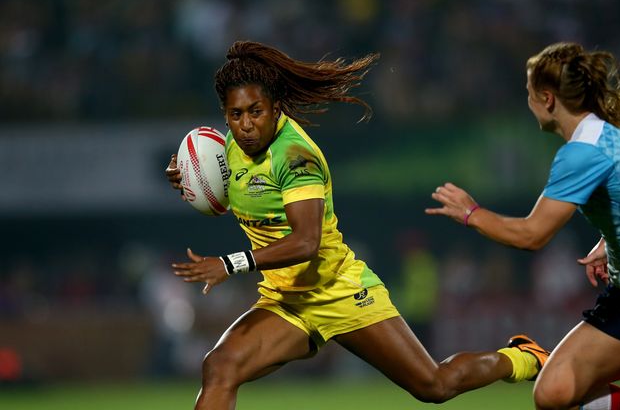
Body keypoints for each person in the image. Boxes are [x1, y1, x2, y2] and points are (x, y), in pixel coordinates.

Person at [164, 40, 549, 409]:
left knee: (434, 385)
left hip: (339, 290)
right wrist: (193, 183)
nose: (246, 125)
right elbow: (236, 199)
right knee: (220, 366)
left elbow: (306, 242)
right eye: (236, 114)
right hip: (287, 301)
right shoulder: (228, 147)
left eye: (256, 112)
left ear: (276, 107)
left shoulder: (296, 158)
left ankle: (521, 358)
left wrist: (231, 263)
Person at [426, 42, 620, 410]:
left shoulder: (583, 152)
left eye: (528, 93)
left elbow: (533, 235)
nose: (527, 101)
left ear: (547, 99)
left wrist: (471, 213)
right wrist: (610, 242)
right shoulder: (606, 134)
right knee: (554, 393)